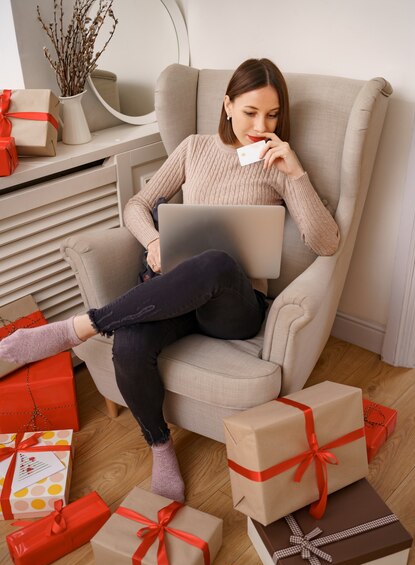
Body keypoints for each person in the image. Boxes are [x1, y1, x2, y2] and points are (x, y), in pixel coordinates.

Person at [0, 58, 339, 503]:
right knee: (130, 343)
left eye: (273, 115)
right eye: (251, 112)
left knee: (215, 260)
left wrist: (295, 173)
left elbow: (326, 243)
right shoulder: (194, 148)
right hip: (177, 297)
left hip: (234, 309)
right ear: (227, 105)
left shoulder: (278, 162)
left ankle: (76, 328)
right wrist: (155, 239)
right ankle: (160, 447)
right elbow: (136, 206)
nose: (261, 124)